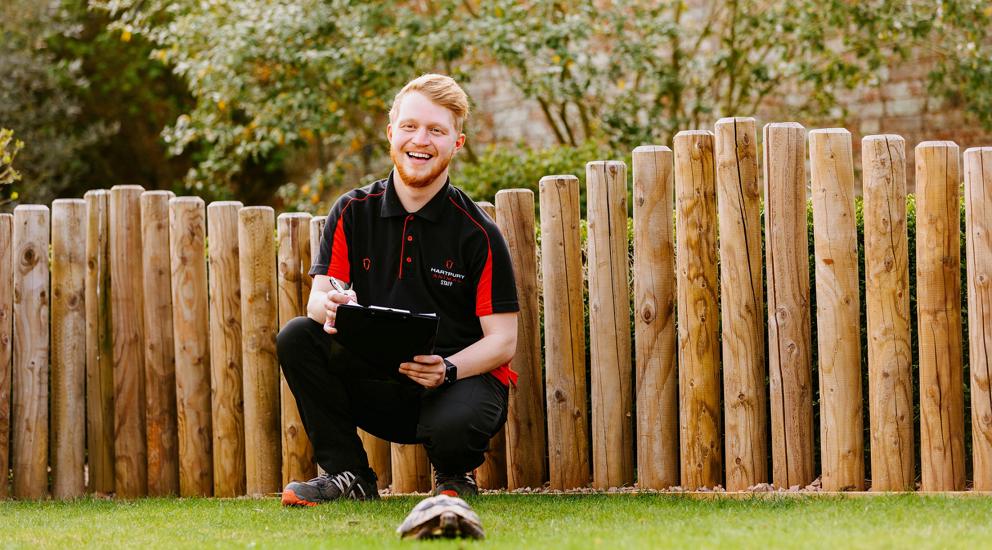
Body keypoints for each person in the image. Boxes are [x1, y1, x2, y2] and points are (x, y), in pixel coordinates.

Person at [276, 74, 519, 506]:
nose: (419, 140)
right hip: (379, 382)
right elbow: (317, 299)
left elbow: (503, 341)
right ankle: (350, 475)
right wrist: (328, 306)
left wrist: (447, 369)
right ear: (392, 133)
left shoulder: (478, 233)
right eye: (409, 126)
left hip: (453, 384)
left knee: (457, 425)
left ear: (456, 143)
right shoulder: (352, 211)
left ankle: (454, 476)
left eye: (436, 130)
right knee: (297, 335)